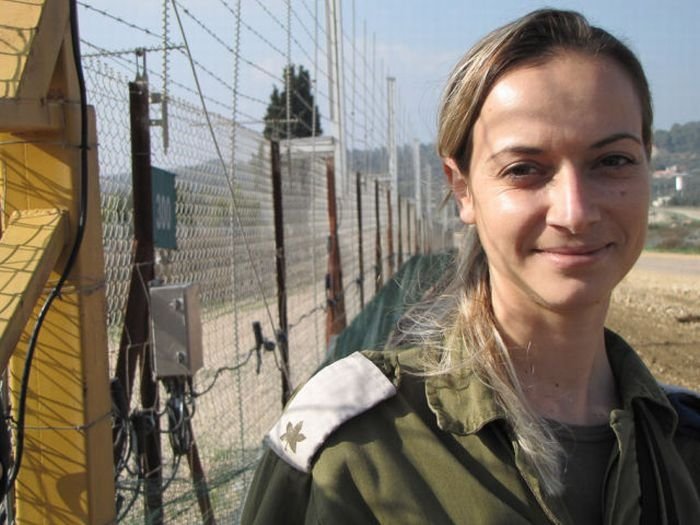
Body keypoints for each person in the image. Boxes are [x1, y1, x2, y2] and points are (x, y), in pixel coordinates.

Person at [241, 9, 700, 524]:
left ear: (648, 164)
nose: (575, 212)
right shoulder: (352, 451)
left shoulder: (683, 446)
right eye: (524, 169)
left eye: (612, 160)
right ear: (463, 189)